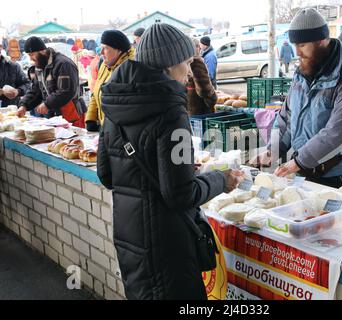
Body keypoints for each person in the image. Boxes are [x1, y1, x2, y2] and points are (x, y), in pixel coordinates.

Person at [97, 23, 244, 300]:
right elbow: (181, 194)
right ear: (168, 66)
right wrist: (221, 180)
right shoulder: (171, 110)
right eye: (187, 62)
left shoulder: (115, 101)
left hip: (130, 238)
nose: (189, 72)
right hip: (167, 245)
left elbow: (106, 174)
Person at [251, 8, 342, 189]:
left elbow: (341, 131)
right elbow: (287, 118)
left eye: (302, 45)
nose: (297, 52)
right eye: (295, 45)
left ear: (322, 41)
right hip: (305, 169)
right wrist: (272, 151)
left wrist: (299, 162)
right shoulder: (303, 73)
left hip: (337, 174)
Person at [17, 37, 85, 128]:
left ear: (42, 51)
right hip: (54, 116)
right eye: (29, 55)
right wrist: (24, 105)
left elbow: (66, 91)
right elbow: (35, 90)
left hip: (71, 114)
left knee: (72, 141)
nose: (31, 59)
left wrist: (47, 104)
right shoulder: (39, 66)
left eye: (32, 54)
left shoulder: (63, 64)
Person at [85, 30, 134, 132]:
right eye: (101, 47)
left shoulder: (130, 68)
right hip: (106, 129)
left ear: (119, 50)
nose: (101, 52)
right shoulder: (104, 64)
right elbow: (96, 92)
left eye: (106, 48)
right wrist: (91, 118)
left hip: (122, 133)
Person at [186, 38, 217, 115]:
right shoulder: (196, 63)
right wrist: (213, 100)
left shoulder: (183, 62)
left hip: (188, 105)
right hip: (199, 107)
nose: (200, 49)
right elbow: (204, 90)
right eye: (198, 46)